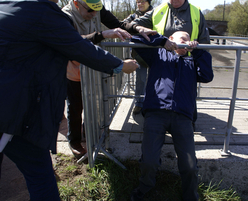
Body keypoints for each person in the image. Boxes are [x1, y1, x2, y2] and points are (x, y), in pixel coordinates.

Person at [0, 0, 139, 200]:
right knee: (40, 176)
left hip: (12, 102)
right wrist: (119, 65)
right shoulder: (43, 12)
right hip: (13, 111)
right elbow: (79, 47)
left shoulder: (8, 5)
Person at [62, 0, 157, 159]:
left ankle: (88, 132)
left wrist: (138, 28)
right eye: (90, 11)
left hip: (93, 67)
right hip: (75, 70)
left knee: (93, 104)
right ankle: (75, 140)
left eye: (96, 11)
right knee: (75, 106)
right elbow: (73, 42)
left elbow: (118, 24)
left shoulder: (96, 8)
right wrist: (103, 35)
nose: (94, 15)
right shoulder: (65, 16)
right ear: (76, 3)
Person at [129, 31, 214, 201]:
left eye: (188, 40)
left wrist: (197, 51)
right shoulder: (158, 55)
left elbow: (207, 75)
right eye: (181, 39)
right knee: (149, 161)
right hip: (156, 112)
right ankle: (145, 187)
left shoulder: (192, 62)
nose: (185, 42)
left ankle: (190, 196)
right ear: (171, 40)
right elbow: (135, 39)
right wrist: (160, 41)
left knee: (190, 165)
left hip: (182, 117)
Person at [131, 0, 211, 128]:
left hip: (187, 63)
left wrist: (200, 60)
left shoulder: (196, 12)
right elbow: (133, 26)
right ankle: (159, 124)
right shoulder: (158, 10)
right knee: (161, 92)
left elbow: (204, 40)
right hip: (162, 61)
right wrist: (154, 38)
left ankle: (188, 124)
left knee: (186, 95)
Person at [122, 0, 154, 115]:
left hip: (155, 54)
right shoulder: (133, 16)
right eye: (138, 2)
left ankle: (152, 103)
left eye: (142, 1)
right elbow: (123, 25)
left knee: (155, 79)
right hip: (139, 55)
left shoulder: (156, 14)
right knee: (140, 79)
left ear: (149, 2)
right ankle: (139, 103)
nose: (139, 4)